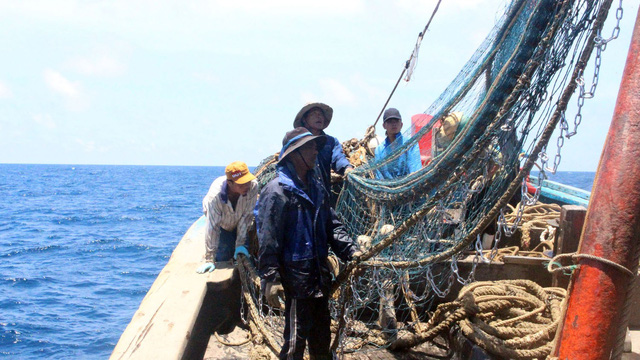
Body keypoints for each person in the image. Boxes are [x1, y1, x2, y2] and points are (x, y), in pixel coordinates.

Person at [256, 127, 361, 360]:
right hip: (295, 282)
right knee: (294, 343)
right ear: (295, 154)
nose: (316, 151)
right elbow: (268, 238)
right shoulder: (277, 192)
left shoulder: (317, 187)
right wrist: (271, 278)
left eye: (316, 146)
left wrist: (351, 251)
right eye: (311, 147)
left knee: (321, 340)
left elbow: (331, 225)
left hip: (318, 278)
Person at [196, 161, 259, 273]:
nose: (246, 186)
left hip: (240, 219)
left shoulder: (253, 186)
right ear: (230, 183)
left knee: (244, 254)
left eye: (247, 181)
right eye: (241, 184)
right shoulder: (215, 197)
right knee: (224, 255)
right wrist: (209, 259)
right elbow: (213, 227)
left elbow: (247, 217)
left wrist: (240, 244)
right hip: (222, 224)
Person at [293, 102, 353, 192]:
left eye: (321, 114)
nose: (319, 117)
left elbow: (338, 158)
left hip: (323, 194)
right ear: (304, 119)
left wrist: (347, 168)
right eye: (314, 114)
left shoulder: (331, 142)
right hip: (301, 192)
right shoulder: (297, 142)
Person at [374, 107, 422, 179]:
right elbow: (379, 176)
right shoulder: (379, 150)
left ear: (401, 124)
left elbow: (415, 171)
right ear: (384, 126)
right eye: (390, 121)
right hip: (387, 188)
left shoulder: (411, 144)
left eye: (396, 121)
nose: (394, 124)